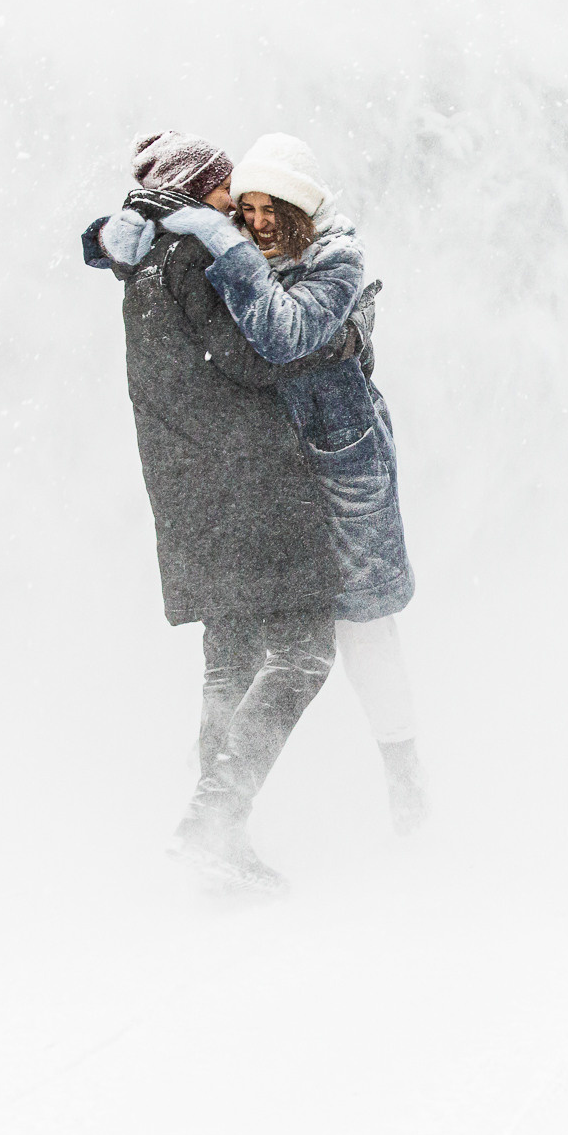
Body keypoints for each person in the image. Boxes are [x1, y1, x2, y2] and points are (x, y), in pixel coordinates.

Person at [82, 130, 349, 893]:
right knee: (301, 654)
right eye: (226, 186)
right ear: (201, 187)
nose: (237, 203)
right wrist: (335, 342)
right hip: (250, 486)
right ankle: (214, 817)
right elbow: (252, 358)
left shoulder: (141, 266)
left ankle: (219, 840)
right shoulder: (196, 258)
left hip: (189, 495)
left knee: (230, 667)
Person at [152, 132, 425, 830]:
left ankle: (407, 792)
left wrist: (224, 243)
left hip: (344, 470)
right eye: (245, 209)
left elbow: (280, 336)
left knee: (364, 630)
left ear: (301, 209)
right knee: (250, 643)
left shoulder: (335, 259)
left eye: (271, 209)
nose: (257, 222)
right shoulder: (244, 259)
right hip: (276, 477)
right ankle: (212, 807)